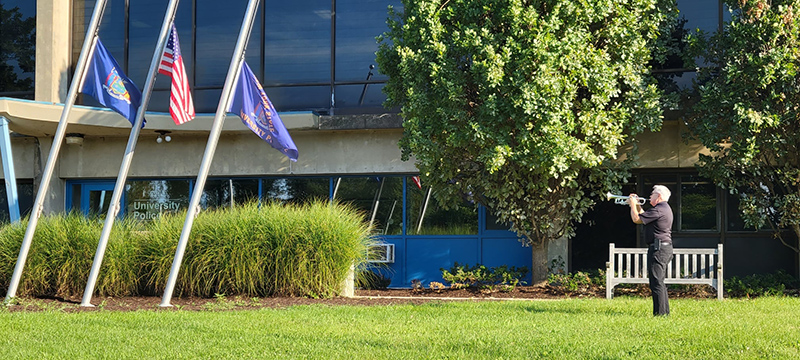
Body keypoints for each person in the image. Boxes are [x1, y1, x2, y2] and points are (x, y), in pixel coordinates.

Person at [628, 185, 674, 316]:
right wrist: (637, 205)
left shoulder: (659, 209)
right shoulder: (662, 209)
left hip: (659, 248)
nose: (649, 196)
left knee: (656, 282)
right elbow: (643, 216)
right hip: (662, 247)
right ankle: (664, 313)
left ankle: (660, 314)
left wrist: (632, 205)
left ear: (658, 196)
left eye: (652, 194)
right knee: (659, 282)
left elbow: (636, 219)